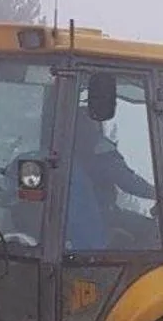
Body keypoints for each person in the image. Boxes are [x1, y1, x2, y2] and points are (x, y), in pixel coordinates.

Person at [65, 105, 156, 251]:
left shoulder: (62, 151)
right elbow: (127, 181)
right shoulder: (100, 150)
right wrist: (155, 193)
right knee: (153, 231)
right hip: (101, 215)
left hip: (69, 221)